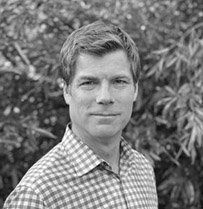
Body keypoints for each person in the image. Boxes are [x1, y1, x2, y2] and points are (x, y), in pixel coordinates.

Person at [3, 21, 158, 208]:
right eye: (89, 83)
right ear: (67, 91)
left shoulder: (142, 169)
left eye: (119, 81)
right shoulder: (36, 195)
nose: (104, 97)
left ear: (135, 90)